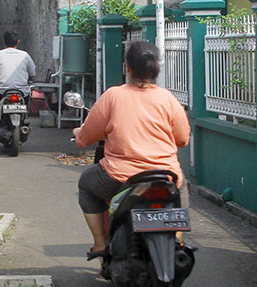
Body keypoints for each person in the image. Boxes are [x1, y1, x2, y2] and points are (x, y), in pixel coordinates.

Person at [72, 40, 190, 259]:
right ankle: (178, 243)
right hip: (165, 175)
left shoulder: (113, 96)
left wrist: (78, 134)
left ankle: (99, 245)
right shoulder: (168, 99)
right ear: (156, 68)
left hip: (120, 177)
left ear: (127, 67)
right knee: (180, 191)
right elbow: (183, 139)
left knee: (86, 186)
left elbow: (86, 137)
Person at [0, 30, 36, 126]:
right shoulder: (25, 55)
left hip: (2, 91)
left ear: (4, 42)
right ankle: (24, 120)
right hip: (22, 91)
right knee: (26, 99)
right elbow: (32, 73)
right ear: (18, 42)